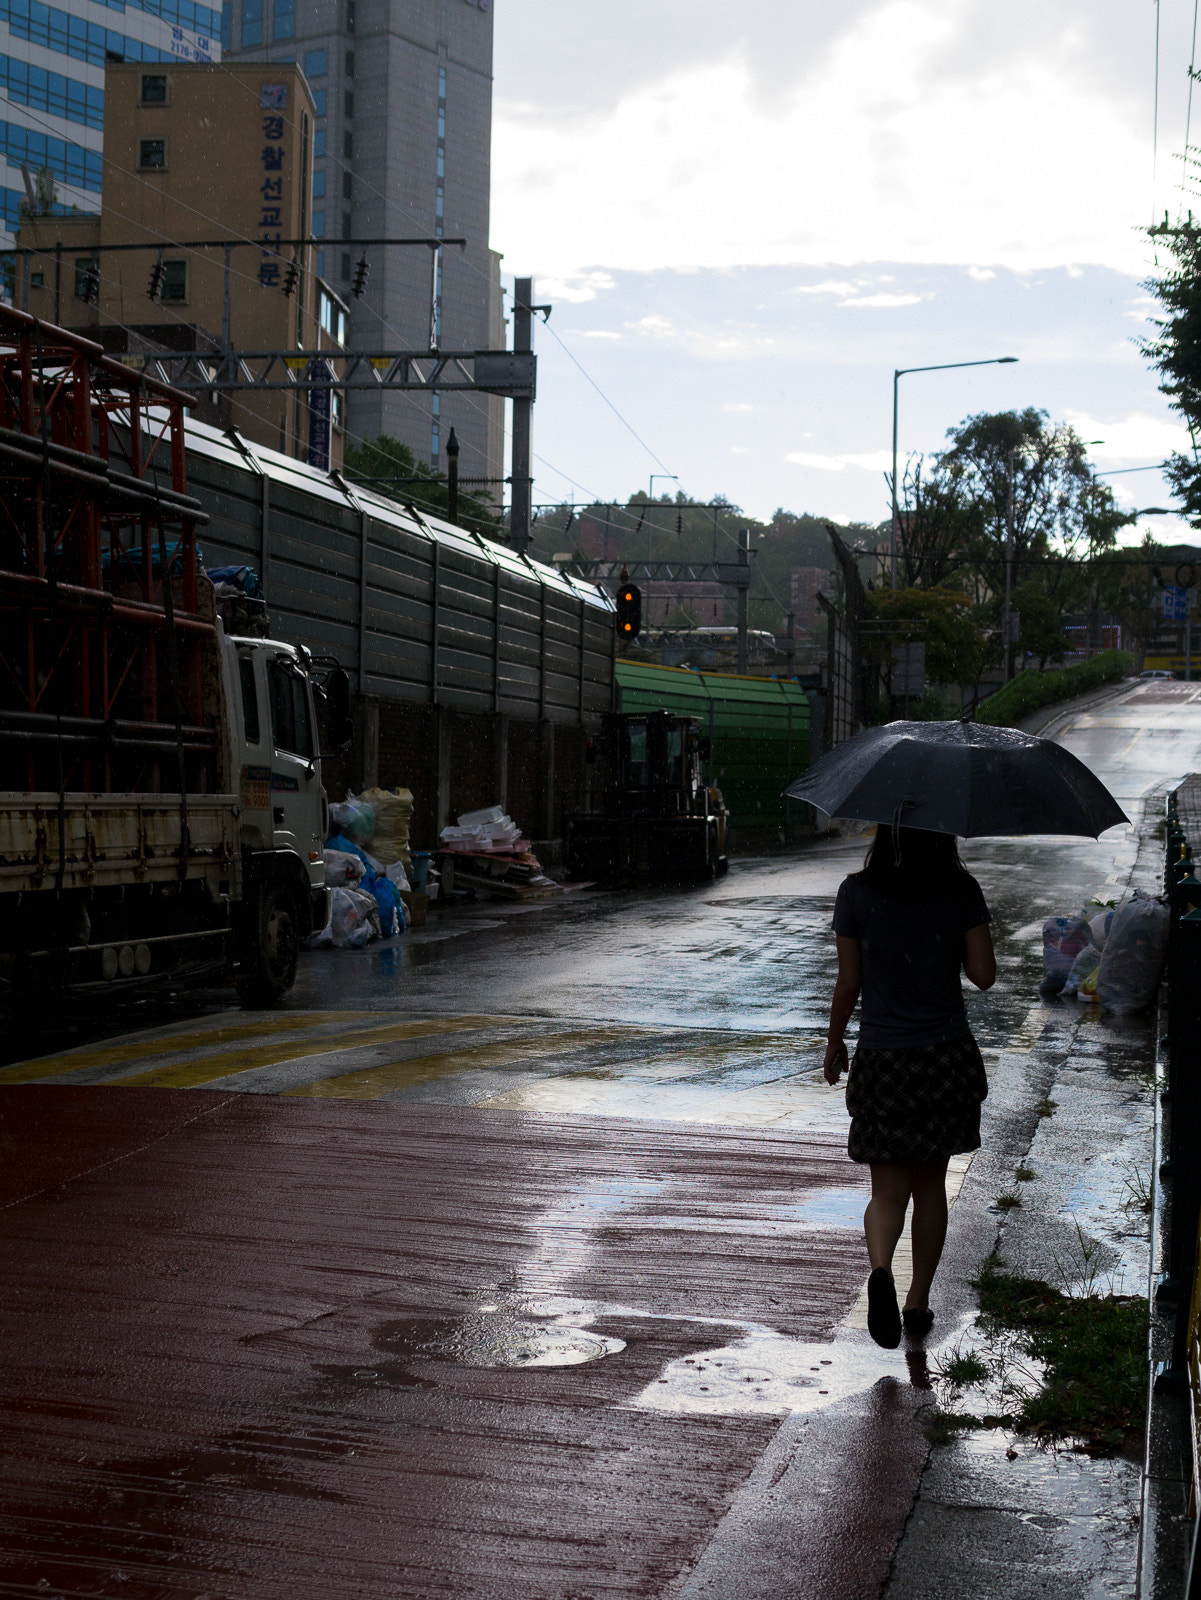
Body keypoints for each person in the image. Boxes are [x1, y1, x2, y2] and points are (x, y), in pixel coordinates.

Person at [823, 824, 996, 1349]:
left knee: (886, 1192)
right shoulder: (960, 890)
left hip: (883, 1059)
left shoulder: (856, 891)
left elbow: (849, 982)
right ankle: (917, 1301)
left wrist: (834, 1043)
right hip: (943, 1059)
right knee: (930, 1189)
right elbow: (984, 975)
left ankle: (881, 1269)